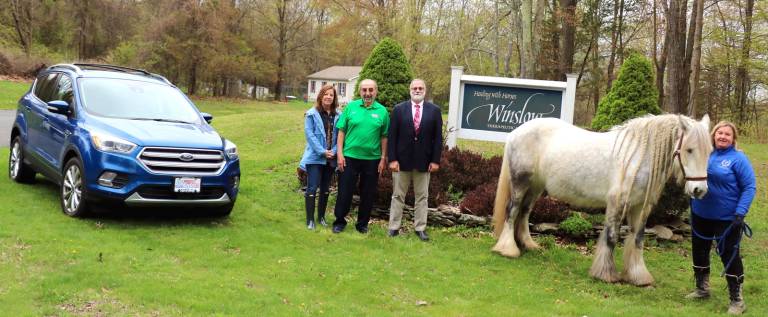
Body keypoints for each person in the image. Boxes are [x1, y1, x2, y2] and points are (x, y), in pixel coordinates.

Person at [687, 121, 756, 315]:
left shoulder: (738, 159)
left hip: (727, 218)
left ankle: (737, 300)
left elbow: (749, 187)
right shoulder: (706, 155)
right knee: (699, 251)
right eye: (719, 133)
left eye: (727, 134)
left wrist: (740, 212)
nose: (723, 136)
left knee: (729, 255)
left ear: (733, 139)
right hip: (700, 214)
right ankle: (702, 289)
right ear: (713, 135)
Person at [386, 79, 443, 241]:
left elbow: (437, 139)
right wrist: (392, 159)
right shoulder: (398, 110)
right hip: (401, 162)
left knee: (422, 197)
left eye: (420, 88)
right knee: (397, 196)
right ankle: (394, 227)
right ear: (409, 90)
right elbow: (392, 136)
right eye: (414, 88)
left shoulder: (434, 111)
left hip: (424, 162)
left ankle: (420, 228)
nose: (417, 90)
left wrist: (435, 160)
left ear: (425, 90)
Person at [332, 79, 389, 234]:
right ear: (360, 91)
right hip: (349, 157)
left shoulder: (382, 112)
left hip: (372, 160)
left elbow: (384, 136)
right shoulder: (351, 107)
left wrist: (383, 158)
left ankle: (362, 224)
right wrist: (339, 154)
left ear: (376, 91)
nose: (367, 93)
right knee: (344, 191)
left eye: (371, 90)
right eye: (364, 90)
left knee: (368, 193)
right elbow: (341, 132)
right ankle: (339, 221)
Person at [299, 84, 339, 229]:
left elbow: (340, 137)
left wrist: (333, 151)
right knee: (312, 187)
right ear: (321, 96)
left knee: (325, 189)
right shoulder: (312, 114)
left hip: (331, 159)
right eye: (326, 94)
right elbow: (309, 135)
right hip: (315, 157)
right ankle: (310, 220)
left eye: (331, 95)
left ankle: (321, 217)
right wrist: (322, 151)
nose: (328, 97)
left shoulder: (338, 115)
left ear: (334, 98)